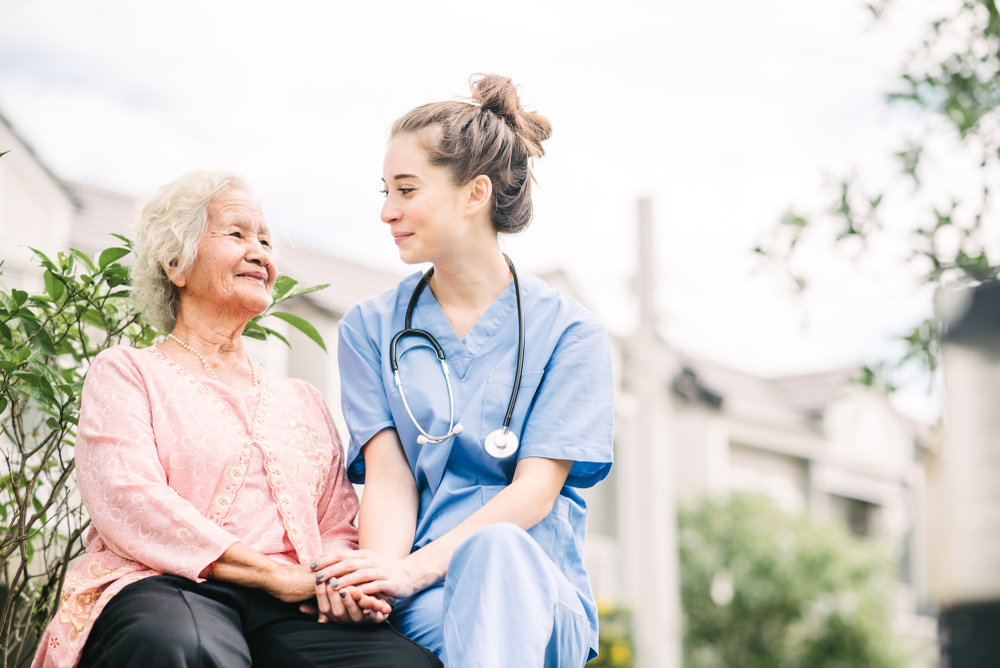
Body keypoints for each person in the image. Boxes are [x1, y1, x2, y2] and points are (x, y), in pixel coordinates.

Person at [32, 171, 441, 668]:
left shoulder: (303, 398)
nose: (261, 253)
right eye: (237, 234)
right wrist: (272, 575)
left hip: (292, 600)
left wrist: (339, 582)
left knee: (403, 665)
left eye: (266, 240)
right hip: (164, 583)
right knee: (190, 650)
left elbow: (335, 522)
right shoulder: (128, 371)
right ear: (176, 264)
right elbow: (129, 498)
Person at [310, 75, 614, 667]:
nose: (386, 211)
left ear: (474, 195)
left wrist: (409, 570)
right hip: (426, 594)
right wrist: (384, 578)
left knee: (498, 550)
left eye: (406, 190)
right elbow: (390, 478)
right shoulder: (369, 328)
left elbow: (534, 492)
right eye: (385, 191)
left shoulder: (573, 336)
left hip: (540, 592)